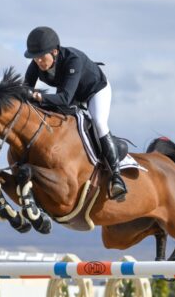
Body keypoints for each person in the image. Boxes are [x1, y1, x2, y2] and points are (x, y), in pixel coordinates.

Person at [22, 26, 127, 201]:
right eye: (35, 57)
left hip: (94, 90)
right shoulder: (36, 64)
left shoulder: (73, 60)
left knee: (99, 122)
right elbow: (25, 91)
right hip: (71, 94)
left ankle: (116, 176)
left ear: (55, 51)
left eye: (42, 56)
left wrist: (38, 96)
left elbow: (63, 98)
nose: (38, 61)